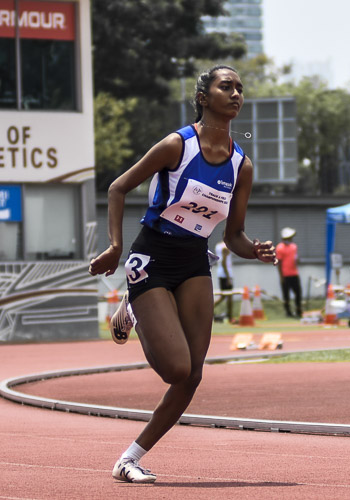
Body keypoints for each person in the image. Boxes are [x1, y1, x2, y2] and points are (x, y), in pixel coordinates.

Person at [88, 65, 277, 484]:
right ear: (204, 97)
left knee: (193, 374)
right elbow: (118, 188)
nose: (236, 94)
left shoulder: (241, 165)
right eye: (226, 86)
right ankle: (134, 310)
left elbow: (235, 235)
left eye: (240, 89)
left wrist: (255, 251)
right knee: (175, 369)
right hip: (153, 255)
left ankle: (129, 458)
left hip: (194, 260)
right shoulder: (178, 145)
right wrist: (116, 247)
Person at [276, 227, 302, 318]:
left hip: (294, 273)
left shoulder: (294, 246)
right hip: (285, 275)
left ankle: (298, 310)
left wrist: (298, 260)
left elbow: (296, 260)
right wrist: (281, 277)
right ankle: (288, 312)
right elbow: (279, 263)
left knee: (298, 293)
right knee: (286, 295)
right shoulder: (279, 248)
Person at [213, 240, 234, 322]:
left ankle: (229, 316)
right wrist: (228, 277)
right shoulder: (225, 247)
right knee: (229, 296)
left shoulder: (218, 245)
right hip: (225, 274)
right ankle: (230, 317)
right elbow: (223, 262)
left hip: (221, 273)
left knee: (224, 296)